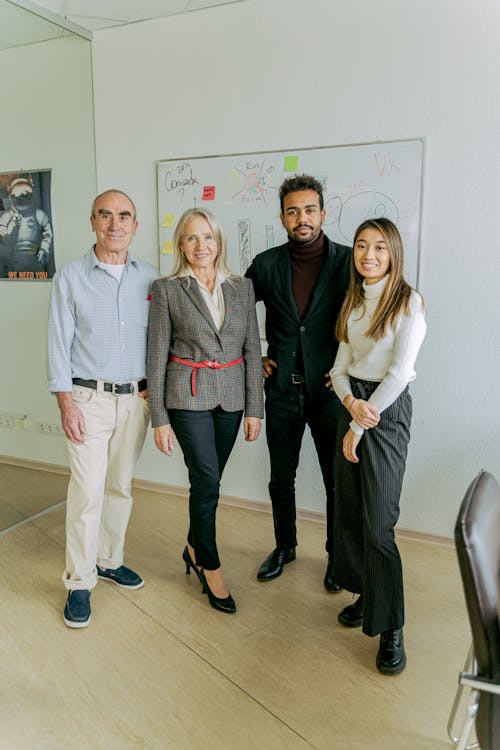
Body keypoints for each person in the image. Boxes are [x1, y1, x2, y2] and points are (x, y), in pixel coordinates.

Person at [47, 189, 158, 628]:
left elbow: (162, 340)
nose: (115, 224)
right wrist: (65, 403)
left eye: (124, 216)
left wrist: (154, 390)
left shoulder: (150, 278)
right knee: (87, 492)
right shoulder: (70, 278)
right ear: (92, 222)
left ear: (136, 225)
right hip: (87, 400)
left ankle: (110, 559)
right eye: (106, 216)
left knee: (120, 488)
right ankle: (78, 581)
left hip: (136, 400)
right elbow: (58, 344)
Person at [147, 208, 263, 614]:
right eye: (192, 238)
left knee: (208, 483)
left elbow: (253, 350)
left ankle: (193, 544)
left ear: (219, 242)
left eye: (208, 237)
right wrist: (158, 418)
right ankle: (208, 565)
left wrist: (255, 409)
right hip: (187, 395)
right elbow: (157, 353)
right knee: (207, 479)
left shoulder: (242, 288)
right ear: (181, 244)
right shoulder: (167, 289)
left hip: (231, 397)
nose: (201, 246)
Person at [330, 217, 426, 675]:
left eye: (380, 248)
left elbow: (400, 374)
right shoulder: (353, 301)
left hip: (385, 412)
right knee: (349, 507)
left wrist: (361, 424)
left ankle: (391, 629)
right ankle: (368, 594)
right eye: (362, 246)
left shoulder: (408, 302)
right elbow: (338, 369)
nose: (369, 255)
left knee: (380, 521)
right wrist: (350, 403)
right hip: (355, 407)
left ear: (393, 254)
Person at [245, 174, 350, 589]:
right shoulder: (267, 263)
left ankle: (336, 555)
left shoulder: (348, 261)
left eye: (309, 210)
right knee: (280, 477)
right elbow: (232, 314)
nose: (301, 218)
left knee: (335, 483)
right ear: (283, 217)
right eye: (293, 211)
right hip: (284, 391)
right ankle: (284, 546)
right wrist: (253, 359)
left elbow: (366, 320)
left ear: (323, 213)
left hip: (330, 393)